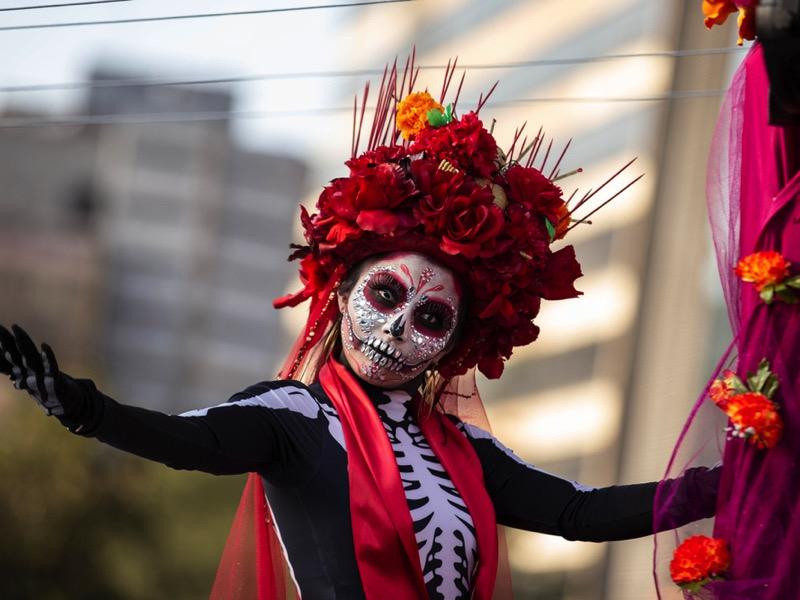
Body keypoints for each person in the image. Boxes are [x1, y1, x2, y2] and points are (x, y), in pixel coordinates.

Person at [0, 67, 722, 600]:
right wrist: (81, 406)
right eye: (385, 294)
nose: (399, 328)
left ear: (456, 343)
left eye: (432, 318)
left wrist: (725, 485)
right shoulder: (291, 419)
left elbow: (578, 512)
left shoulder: (464, 450)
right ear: (342, 290)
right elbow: (184, 441)